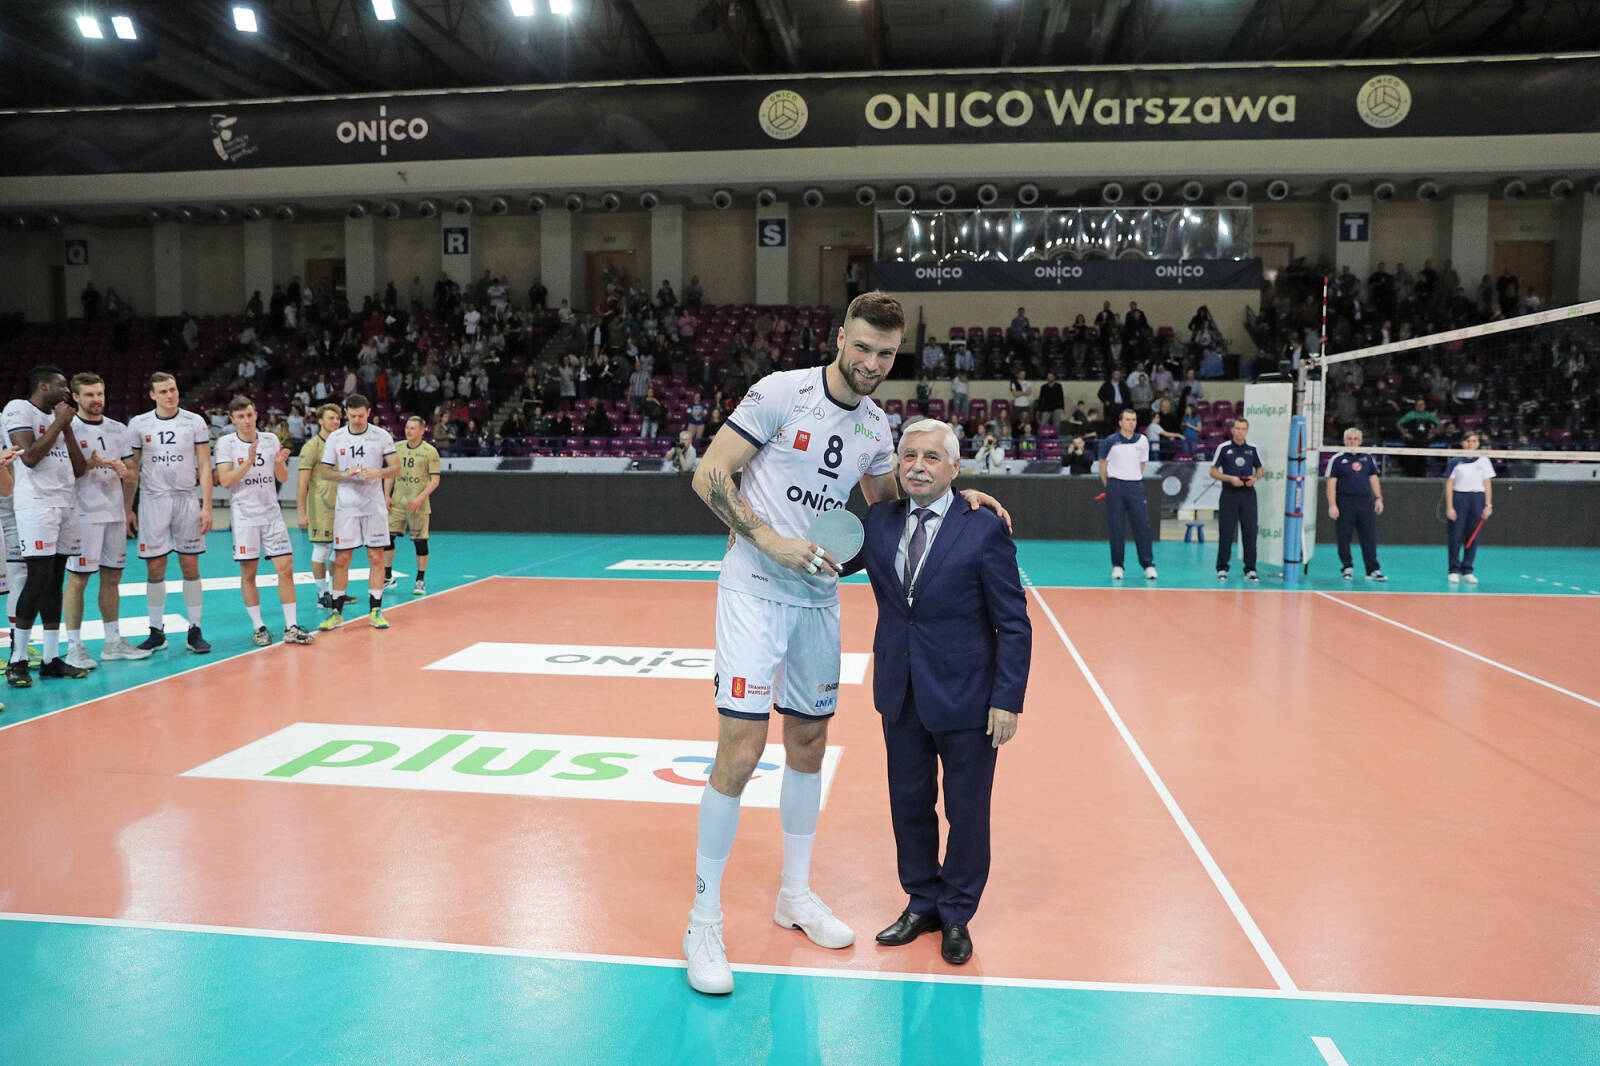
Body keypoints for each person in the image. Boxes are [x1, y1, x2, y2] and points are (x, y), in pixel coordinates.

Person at [681, 291, 1006, 996]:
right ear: (839, 339)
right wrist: (768, 538)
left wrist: (962, 502)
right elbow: (709, 473)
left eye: (885, 353)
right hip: (754, 589)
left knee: (808, 744)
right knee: (741, 749)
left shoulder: (876, 425)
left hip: (817, 598)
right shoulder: (782, 393)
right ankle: (703, 920)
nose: (871, 362)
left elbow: (894, 508)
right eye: (862, 347)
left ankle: (794, 895)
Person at [840, 419, 1031, 967]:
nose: (918, 467)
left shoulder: (983, 528)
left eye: (930, 457)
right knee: (909, 804)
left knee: (966, 812)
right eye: (909, 456)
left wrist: (1007, 699)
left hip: (969, 698)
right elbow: (825, 557)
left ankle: (956, 912)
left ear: (954, 467)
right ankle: (921, 901)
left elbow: (1013, 624)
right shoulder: (878, 522)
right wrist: (761, 531)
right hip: (900, 692)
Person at [4, 367, 92, 685]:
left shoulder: (63, 419)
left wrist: (66, 426)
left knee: (55, 581)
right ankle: (18, 659)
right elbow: (29, 457)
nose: (67, 391)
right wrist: (59, 422)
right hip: (36, 505)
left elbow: (80, 469)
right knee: (37, 578)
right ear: (42, 386)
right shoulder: (19, 408)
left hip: (65, 503)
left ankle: (51, 659)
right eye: (61, 385)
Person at [62, 373, 148, 669]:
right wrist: (89, 464)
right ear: (75, 397)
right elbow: (64, 472)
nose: (96, 399)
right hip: (82, 515)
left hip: (113, 513)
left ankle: (113, 642)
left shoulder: (118, 428)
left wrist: (125, 478)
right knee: (79, 579)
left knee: (112, 577)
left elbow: (133, 471)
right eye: (89, 395)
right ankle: (74, 646)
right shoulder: (68, 428)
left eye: (99, 393)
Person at [214, 398, 313, 646]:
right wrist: (248, 461)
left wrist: (279, 464)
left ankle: (291, 626)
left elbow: (282, 477)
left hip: (271, 514)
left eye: (249, 415)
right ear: (232, 419)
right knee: (249, 573)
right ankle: (258, 627)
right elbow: (225, 481)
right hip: (245, 516)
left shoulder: (270, 439)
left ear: (256, 415)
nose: (246, 421)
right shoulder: (226, 443)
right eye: (240, 417)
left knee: (286, 568)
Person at [127, 372, 215, 654]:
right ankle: (156, 631)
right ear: (152, 395)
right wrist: (127, 507)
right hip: (153, 500)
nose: (170, 395)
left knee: (190, 565)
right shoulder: (139, 424)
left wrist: (207, 505)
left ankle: (195, 630)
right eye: (163, 391)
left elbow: (204, 466)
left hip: (185, 499)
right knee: (155, 567)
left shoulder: (195, 421)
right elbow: (132, 470)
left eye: (173, 389)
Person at [317, 395, 399, 629]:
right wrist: (345, 474)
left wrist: (376, 473)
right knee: (342, 559)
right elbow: (324, 471)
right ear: (346, 413)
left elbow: (396, 468)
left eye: (361, 415)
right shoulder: (336, 437)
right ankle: (336, 612)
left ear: (369, 412)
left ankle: (376, 611)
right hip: (347, 506)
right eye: (352, 416)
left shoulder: (381, 435)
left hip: (374, 505)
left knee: (376, 557)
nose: (357, 419)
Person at [1097, 408, 1156, 580]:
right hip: (1115, 486)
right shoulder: (1110, 441)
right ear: (1120, 422)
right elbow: (1102, 464)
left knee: (1142, 526)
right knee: (1116, 527)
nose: (1131, 423)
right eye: (1128, 419)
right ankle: (1118, 566)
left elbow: (1142, 464)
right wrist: (1109, 484)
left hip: (1135, 486)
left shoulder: (1142, 441)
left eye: (1134, 419)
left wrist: (1133, 478)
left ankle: (1148, 565)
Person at [384, 416, 440, 596]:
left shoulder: (430, 451)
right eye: (407, 427)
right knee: (387, 538)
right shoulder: (397, 448)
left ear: (422, 431)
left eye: (413, 428)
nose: (409, 431)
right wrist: (386, 495)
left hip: (418, 504)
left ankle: (420, 580)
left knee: (420, 541)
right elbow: (390, 473)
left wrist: (420, 498)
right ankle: (387, 577)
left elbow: (435, 480)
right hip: (398, 502)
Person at [1324, 427, 1386, 581]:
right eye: (1350, 439)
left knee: (1369, 536)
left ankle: (1372, 569)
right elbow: (1331, 484)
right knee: (1344, 536)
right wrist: (1332, 505)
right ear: (1345, 441)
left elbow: (1373, 478)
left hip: (1365, 501)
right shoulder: (1337, 459)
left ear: (1361, 441)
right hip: (1345, 501)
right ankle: (1347, 567)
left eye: (1356, 439)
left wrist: (1378, 498)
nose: (1353, 442)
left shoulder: (1368, 458)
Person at [296, 404, 341, 608]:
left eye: (337, 418)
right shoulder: (312, 446)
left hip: (341, 505)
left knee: (340, 550)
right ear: (321, 421)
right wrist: (301, 513)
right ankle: (322, 593)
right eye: (331, 418)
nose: (335, 422)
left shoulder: (341, 443)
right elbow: (302, 483)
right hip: (320, 506)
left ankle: (335, 591)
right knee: (322, 549)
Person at [1209, 418, 1264, 582]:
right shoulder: (1223, 448)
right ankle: (1222, 568)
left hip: (1248, 494)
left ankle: (1250, 569)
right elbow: (1213, 471)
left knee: (1250, 532)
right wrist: (1230, 478)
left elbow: (1260, 469)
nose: (1240, 431)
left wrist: (1255, 478)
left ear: (1247, 430)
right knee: (1226, 532)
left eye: (1243, 428)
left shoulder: (1253, 449)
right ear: (1232, 430)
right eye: (1238, 428)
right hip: (1229, 494)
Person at [1444, 431, 1494, 583]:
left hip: (1477, 499)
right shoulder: (1455, 461)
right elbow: (1449, 485)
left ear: (1478, 443)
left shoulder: (1484, 461)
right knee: (1455, 536)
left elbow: (1487, 484)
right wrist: (1450, 507)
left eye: (1474, 441)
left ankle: (1467, 570)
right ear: (1463, 443)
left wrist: (1488, 505)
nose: (1470, 444)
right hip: (1459, 498)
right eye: (1468, 441)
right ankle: (1453, 570)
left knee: (1472, 536)